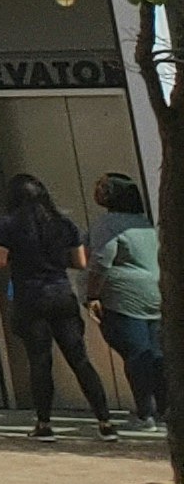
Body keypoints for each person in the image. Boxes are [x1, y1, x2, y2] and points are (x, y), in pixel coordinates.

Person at [0, 170, 115, 440]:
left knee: (39, 360)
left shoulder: (7, 225)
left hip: (30, 295)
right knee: (79, 359)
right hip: (61, 293)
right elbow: (80, 262)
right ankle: (105, 422)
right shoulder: (63, 223)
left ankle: (44, 424)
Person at [89, 171, 164, 433]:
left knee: (136, 356)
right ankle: (166, 411)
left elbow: (100, 262)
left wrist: (92, 295)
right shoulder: (143, 223)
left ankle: (145, 414)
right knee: (156, 355)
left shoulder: (107, 225)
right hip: (154, 295)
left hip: (123, 299)